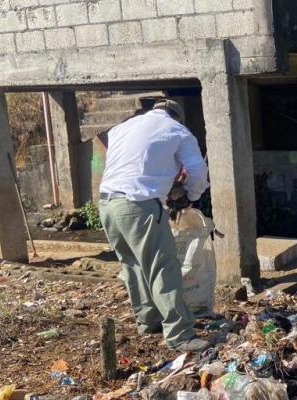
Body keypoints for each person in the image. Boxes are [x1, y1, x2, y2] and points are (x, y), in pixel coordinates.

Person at [98, 99, 210, 352]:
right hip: (139, 204)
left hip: (107, 204)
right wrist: (191, 195)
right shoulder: (177, 131)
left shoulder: (122, 128)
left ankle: (148, 321)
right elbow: (197, 171)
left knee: (133, 264)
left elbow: (137, 164)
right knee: (162, 267)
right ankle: (180, 335)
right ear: (176, 117)